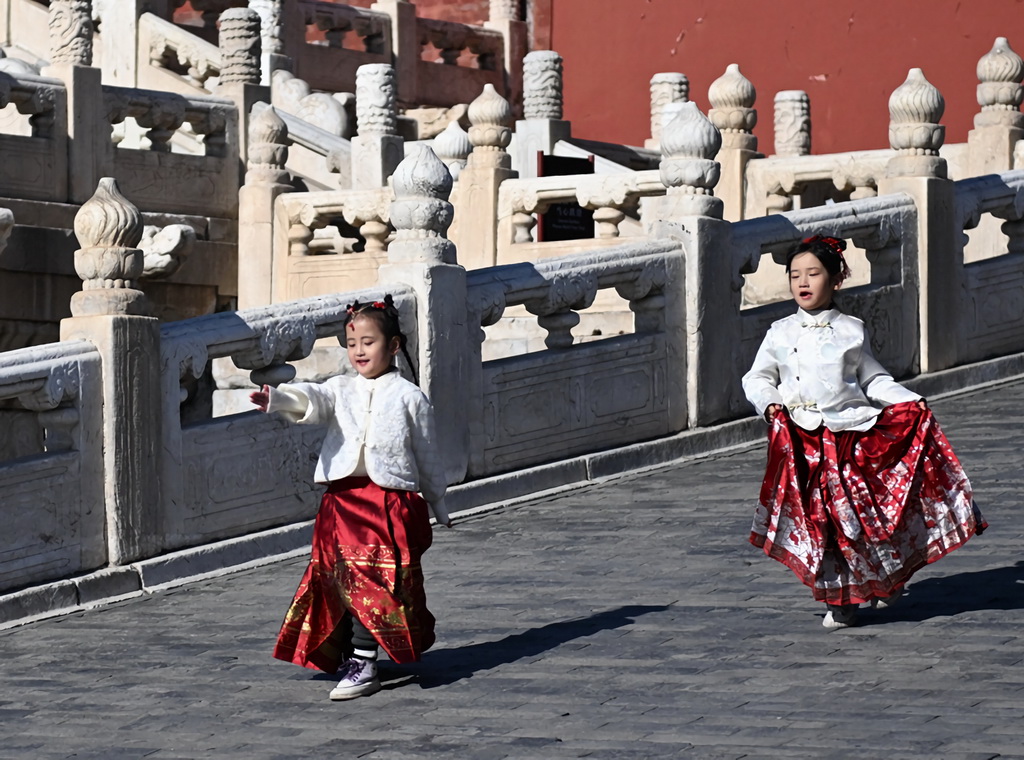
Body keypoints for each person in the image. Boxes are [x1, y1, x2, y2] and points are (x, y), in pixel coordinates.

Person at [742, 234, 985, 630]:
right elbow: (756, 377)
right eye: (795, 275)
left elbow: (873, 380)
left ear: (837, 279)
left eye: (814, 274)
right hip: (802, 442)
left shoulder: (851, 330)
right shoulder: (779, 332)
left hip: (848, 437)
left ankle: (879, 577)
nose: (803, 282)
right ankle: (842, 598)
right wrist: (769, 402)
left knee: (856, 518)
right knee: (820, 520)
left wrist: (907, 400)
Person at [250, 295, 451, 699]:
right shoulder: (341, 389)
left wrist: (437, 501)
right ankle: (349, 653)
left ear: (394, 345)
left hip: (388, 503)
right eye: (352, 342)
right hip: (341, 503)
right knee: (337, 581)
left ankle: (364, 660)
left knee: (375, 582)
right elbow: (313, 398)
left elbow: (428, 455)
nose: (358, 351)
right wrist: (279, 400)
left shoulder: (410, 396)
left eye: (369, 342)